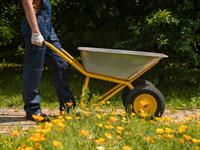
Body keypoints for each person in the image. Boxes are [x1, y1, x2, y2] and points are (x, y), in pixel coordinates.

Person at [21, 0, 76, 122]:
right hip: (36, 24)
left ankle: (67, 106)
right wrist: (35, 32)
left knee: (60, 63)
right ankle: (33, 110)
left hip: (47, 25)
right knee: (34, 69)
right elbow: (26, 2)